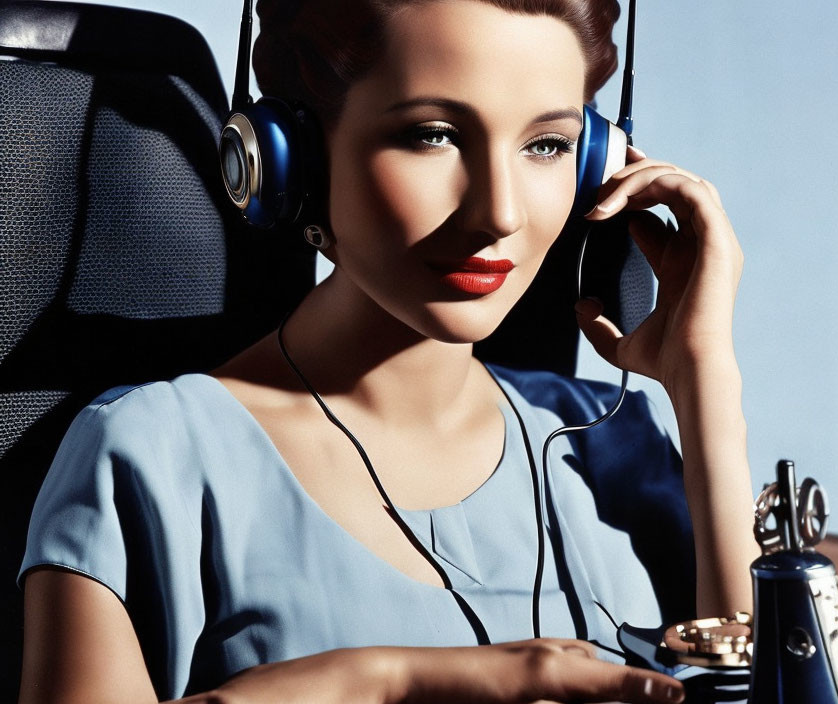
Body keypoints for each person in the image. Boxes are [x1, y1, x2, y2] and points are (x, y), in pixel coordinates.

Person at [17, 0, 758, 702]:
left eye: (546, 145)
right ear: (292, 157)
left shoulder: (614, 441)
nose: (498, 210)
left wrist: (705, 390)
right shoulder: (152, 455)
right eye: (433, 134)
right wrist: (386, 681)